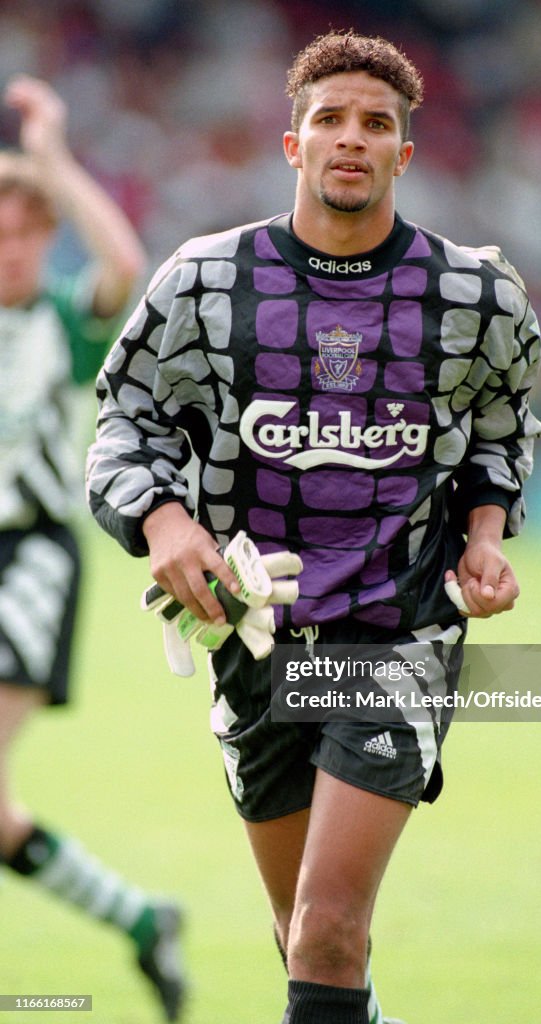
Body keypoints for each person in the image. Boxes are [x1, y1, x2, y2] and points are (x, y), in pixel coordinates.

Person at [86, 30, 541, 1024]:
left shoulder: (474, 295)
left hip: (396, 631)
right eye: (327, 120)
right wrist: (165, 523)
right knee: (305, 936)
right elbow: (124, 423)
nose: (351, 139)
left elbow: (501, 434)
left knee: (331, 925)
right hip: (250, 639)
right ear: (291, 146)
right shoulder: (204, 282)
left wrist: (480, 536)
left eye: (374, 124)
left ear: (403, 154)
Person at [0, 75, 186, 1021]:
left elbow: (127, 263)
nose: (12, 247)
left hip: (26, 563)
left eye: (27, 230)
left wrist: (54, 162)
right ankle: (143, 922)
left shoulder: (63, 325)